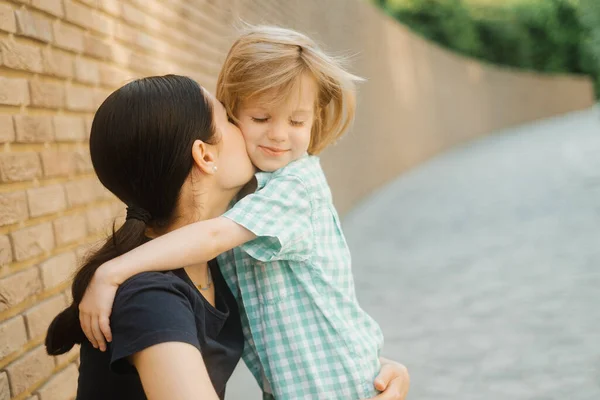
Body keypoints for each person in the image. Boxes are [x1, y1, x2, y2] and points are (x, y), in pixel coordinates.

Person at [78, 27, 409, 399]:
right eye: (247, 120)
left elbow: (214, 238)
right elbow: (209, 239)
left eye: (296, 122)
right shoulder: (158, 293)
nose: (279, 136)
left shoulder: (293, 187)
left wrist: (377, 368)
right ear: (205, 154)